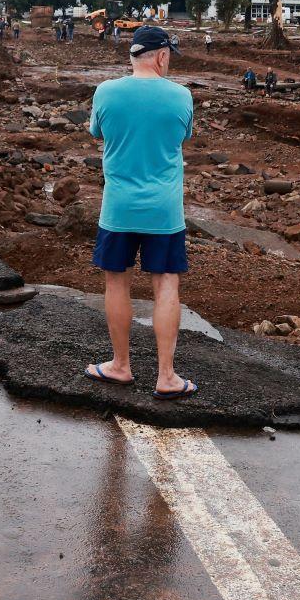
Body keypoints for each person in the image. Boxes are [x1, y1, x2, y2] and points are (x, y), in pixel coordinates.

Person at [85, 25, 196, 400]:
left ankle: (120, 365)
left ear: (133, 56)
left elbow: (97, 134)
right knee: (166, 284)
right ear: (162, 55)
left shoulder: (105, 92)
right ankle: (166, 376)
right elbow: (182, 138)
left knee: (116, 282)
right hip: (164, 211)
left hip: (118, 207)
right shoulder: (181, 96)